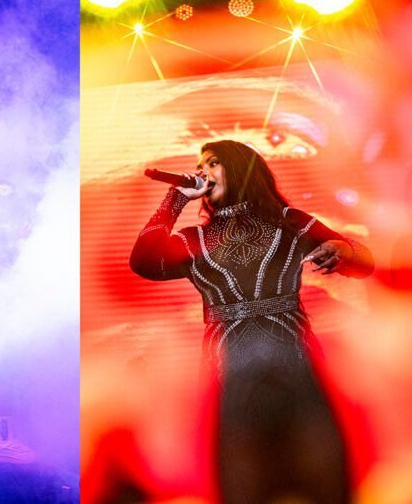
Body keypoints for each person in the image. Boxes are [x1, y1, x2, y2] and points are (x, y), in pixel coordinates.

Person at [130, 140, 373, 503]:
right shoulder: (193, 239)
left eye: (212, 163)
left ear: (241, 168)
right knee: (243, 480)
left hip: (295, 368)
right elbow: (144, 260)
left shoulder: (288, 221)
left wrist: (343, 250)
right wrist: (176, 198)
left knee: (317, 472)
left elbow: (364, 264)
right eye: (199, 166)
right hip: (227, 375)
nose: (202, 172)